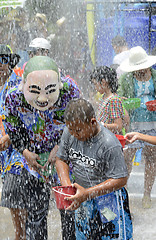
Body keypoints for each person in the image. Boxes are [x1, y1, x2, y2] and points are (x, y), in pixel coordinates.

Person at [4, 56, 80, 239]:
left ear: (59, 85)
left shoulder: (70, 92)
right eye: (35, 91)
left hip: (63, 159)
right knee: (36, 211)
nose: (42, 98)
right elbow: (13, 129)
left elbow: (78, 123)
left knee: (69, 208)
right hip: (33, 160)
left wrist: (60, 147)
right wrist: (25, 152)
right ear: (24, 85)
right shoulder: (14, 97)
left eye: (49, 91)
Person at [55, 98, 133, 240]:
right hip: (82, 198)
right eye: (70, 130)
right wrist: (67, 186)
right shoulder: (70, 131)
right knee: (84, 236)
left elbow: (121, 179)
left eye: (78, 131)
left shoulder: (109, 143)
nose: (73, 135)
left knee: (112, 236)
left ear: (92, 122)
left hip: (109, 202)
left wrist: (88, 193)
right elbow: (61, 159)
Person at [0, 44, 27, 239]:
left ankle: (21, 234)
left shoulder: (18, 86)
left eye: (3, 60)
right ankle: (23, 232)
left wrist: (10, 137)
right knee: (12, 197)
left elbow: (28, 119)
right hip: (2, 152)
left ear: (10, 63)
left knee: (14, 192)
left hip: (19, 148)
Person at [118, 46, 156, 208]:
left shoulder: (154, 76)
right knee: (127, 159)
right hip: (133, 124)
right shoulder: (127, 79)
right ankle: (123, 193)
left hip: (153, 122)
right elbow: (119, 97)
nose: (140, 71)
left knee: (152, 159)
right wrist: (124, 101)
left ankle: (146, 195)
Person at [90, 66, 129, 135]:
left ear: (103, 82)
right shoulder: (104, 97)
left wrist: (101, 124)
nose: (95, 88)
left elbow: (118, 126)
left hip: (111, 138)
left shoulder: (113, 100)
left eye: (95, 84)